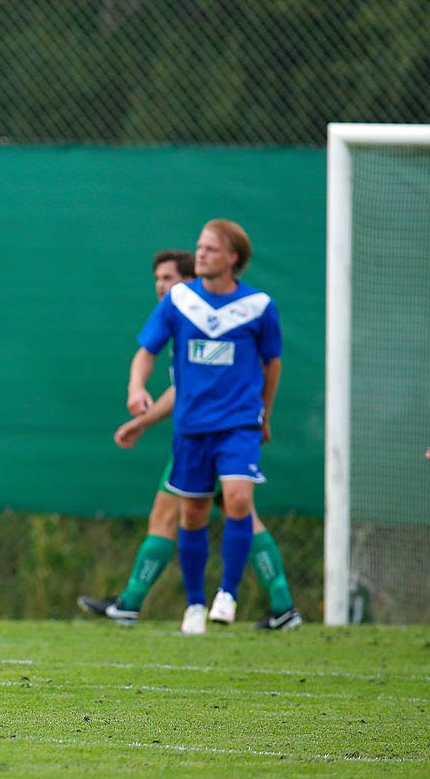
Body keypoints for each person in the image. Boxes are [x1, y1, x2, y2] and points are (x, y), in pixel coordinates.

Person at [80, 250, 301, 630]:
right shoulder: (178, 321)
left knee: (208, 513)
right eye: (158, 280)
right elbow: (180, 387)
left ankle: (143, 602)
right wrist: (143, 419)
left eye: (168, 278)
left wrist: (144, 422)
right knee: (214, 515)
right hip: (197, 433)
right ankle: (280, 605)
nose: (161, 287)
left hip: (219, 432)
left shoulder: (205, 315)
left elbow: (259, 367)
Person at [126, 220, 282, 635]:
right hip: (192, 427)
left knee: (237, 498)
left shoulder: (258, 307)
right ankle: (195, 603)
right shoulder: (180, 300)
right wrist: (136, 386)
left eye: (211, 249)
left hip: (239, 424)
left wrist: (264, 413)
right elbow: (147, 351)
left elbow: (272, 364)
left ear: (233, 257)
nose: (201, 254)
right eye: (199, 247)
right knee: (192, 514)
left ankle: (227, 593)